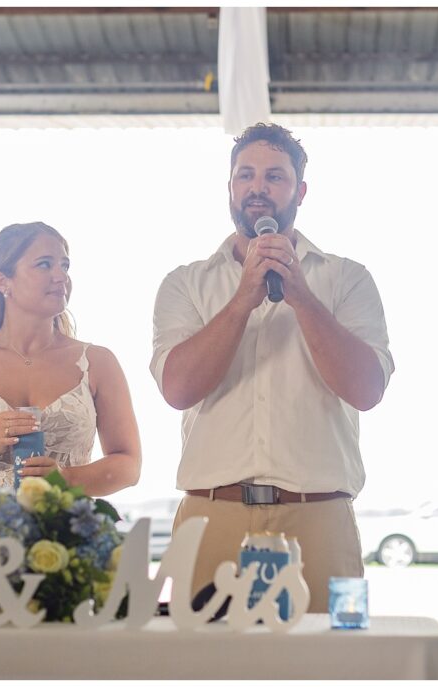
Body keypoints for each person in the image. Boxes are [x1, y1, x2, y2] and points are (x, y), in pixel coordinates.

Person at [150, 123, 394, 612]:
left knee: (331, 669)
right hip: (211, 516)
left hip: (319, 517)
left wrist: (301, 295)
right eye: (246, 175)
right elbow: (177, 388)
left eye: (275, 177)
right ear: (230, 188)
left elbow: (367, 389)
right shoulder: (184, 283)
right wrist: (243, 298)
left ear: (300, 191)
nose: (258, 188)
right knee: (204, 672)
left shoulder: (347, 278)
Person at [0, 222, 141, 496]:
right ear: (3, 281)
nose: (61, 276)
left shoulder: (98, 362)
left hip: (66, 533)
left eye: (65, 266)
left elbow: (129, 466)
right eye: (45, 265)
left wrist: (66, 478)